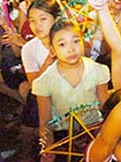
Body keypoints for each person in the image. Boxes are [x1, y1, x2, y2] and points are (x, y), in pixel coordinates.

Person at [33, 18, 110, 160]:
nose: (71, 49)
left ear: (83, 42)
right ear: (52, 50)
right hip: (63, 137)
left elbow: (105, 108)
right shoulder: (45, 81)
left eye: (76, 41)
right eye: (62, 44)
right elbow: (45, 122)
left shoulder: (98, 70)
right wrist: (48, 148)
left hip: (94, 131)